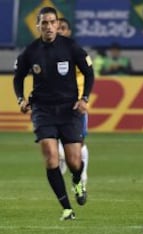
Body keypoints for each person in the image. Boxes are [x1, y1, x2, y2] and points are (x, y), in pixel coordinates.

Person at [13, 7, 94, 221]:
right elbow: (18, 77)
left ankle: (77, 180)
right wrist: (20, 99)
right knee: (51, 158)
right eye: (44, 23)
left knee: (74, 161)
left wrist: (84, 98)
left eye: (52, 22)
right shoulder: (30, 52)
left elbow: (89, 72)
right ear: (37, 26)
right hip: (42, 110)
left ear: (58, 25)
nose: (49, 26)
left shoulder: (71, 47)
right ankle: (66, 208)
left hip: (69, 110)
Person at [57, 17, 89, 188]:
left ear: (68, 32)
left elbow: (88, 74)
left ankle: (82, 175)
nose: (60, 30)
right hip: (53, 104)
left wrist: (83, 98)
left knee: (79, 142)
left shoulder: (76, 52)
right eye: (58, 27)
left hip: (75, 103)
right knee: (51, 138)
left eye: (63, 27)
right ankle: (61, 157)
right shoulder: (45, 53)